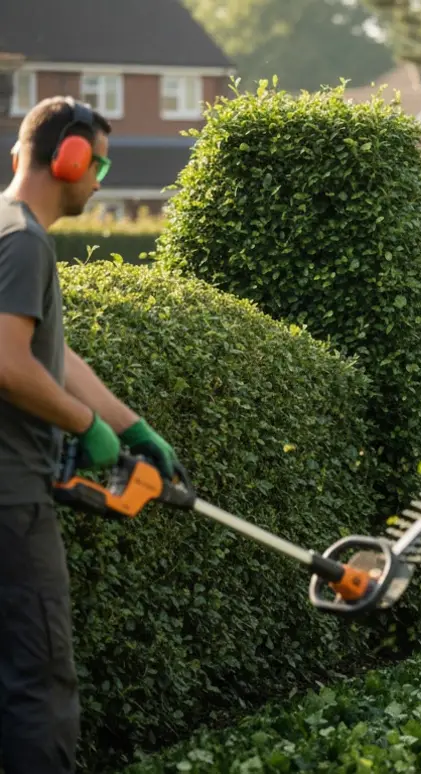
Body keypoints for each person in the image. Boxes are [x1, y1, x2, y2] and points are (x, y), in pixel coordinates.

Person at [1, 96, 181, 772]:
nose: (101, 179)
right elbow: (9, 364)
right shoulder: (23, 241)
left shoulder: (5, 228)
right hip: (11, 501)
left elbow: (54, 355)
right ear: (68, 159)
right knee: (39, 681)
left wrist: (135, 430)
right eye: (99, 162)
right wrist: (88, 430)